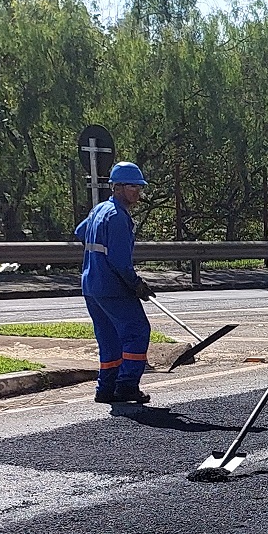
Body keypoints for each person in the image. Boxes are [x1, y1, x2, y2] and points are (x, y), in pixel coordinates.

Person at [75, 161, 155, 404]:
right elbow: (120, 261)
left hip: (91, 285)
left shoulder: (98, 210)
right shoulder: (118, 217)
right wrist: (136, 284)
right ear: (118, 187)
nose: (138, 192)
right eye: (134, 187)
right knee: (137, 331)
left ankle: (105, 388)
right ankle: (127, 385)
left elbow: (80, 232)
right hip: (112, 287)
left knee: (108, 337)